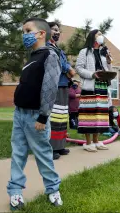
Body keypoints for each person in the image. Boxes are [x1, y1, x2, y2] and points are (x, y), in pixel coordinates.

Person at [7, 17, 62, 210]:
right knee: (18, 153)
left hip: (36, 116)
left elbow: (50, 87)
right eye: (23, 31)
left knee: (43, 155)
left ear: (41, 33)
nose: (24, 35)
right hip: (19, 114)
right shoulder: (32, 56)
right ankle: (15, 192)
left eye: (27, 30)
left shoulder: (50, 56)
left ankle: (53, 190)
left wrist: (43, 116)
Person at [75, 29, 112, 152]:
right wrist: (92, 74)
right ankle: (88, 142)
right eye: (99, 34)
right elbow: (79, 68)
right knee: (89, 114)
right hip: (90, 86)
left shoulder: (103, 52)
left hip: (102, 86)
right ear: (93, 37)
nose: (101, 36)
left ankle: (96, 141)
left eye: (102, 34)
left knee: (100, 114)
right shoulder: (84, 52)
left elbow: (107, 69)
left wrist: (108, 61)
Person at [47, 21, 76, 160]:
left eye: (58, 30)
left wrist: (69, 70)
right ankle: (51, 148)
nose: (57, 32)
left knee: (63, 116)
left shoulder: (59, 49)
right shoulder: (47, 48)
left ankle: (60, 145)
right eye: (54, 29)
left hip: (64, 85)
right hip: (55, 85)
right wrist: (69, 69)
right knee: (54, 116)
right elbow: (60, 63)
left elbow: (65, 62)